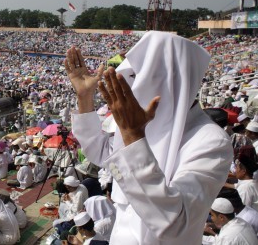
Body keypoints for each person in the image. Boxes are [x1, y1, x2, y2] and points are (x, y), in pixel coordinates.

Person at [68, 31, 233, 244]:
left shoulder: (211, 141)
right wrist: (84, 97)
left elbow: (174, 224)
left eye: (136, 78)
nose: (130, 89)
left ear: (168, 79)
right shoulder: (144, 123)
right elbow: (99, 152)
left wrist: (134, 137)